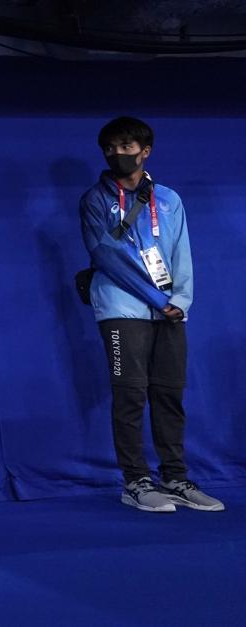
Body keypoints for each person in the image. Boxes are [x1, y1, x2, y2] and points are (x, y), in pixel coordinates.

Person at [79, 116, 223, 513]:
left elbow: (181, 252)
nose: (117, 154)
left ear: (146, 151)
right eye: (110, 148)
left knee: (169, 394)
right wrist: (158, 300)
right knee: (130, 395)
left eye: (126, 147)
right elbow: (106, 256)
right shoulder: (95, 200)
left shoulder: (170, 199)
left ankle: (175, 478)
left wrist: (181, 300)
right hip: (120, 308)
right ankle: (136, 481)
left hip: (171, 311)